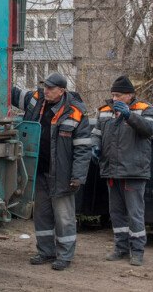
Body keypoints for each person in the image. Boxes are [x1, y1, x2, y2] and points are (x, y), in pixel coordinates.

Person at [12, 72, 91, 271]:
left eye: (50, 88)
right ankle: (46, 251)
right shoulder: (36, 99)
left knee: (64, 217)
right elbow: (12, 93)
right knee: (42, 214)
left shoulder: (75, 111)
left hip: (62, 175)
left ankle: (65, 256)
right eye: (45, 86)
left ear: (62, 91)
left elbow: (83, 148)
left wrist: (78, 176)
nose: (45, 91)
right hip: (38, 170)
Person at [91, 75, 153, 266]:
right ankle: (120, 248)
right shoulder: (105, 111)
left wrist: (130, 115)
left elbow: (151, 129)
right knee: (116, 212)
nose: (115, 99)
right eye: (113, 95)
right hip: (111, 170)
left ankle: (137, 252)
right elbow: (96, 133)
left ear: (130, 95)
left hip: (134, 172)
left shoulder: (144, 109)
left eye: (119, 95)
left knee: (135, 213)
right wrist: (94, 147)